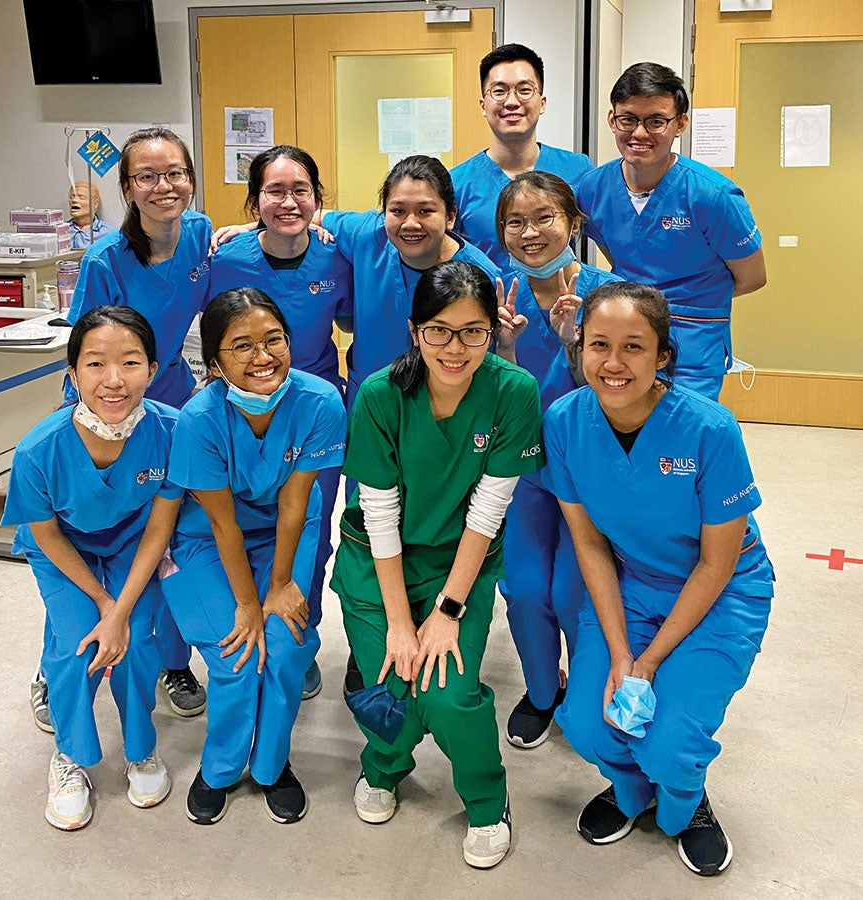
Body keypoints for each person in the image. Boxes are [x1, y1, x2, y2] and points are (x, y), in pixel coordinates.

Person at [541, 281, 774, 876]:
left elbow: (716, 562)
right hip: (634, 584)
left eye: (634, 347)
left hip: (721, 593)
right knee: (591, 727)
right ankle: (628, 792)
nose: (613, 364)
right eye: (599, 345)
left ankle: (683, 802)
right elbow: (590, 543)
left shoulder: (708, 430)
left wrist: (645, 665)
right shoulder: (566, 422)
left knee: (671, 744)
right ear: (580, 349)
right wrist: (620, 652)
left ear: (662, 356)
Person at [331, 261, 544, 869]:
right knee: (390, 682)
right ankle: (384, 766)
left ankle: (486, 797)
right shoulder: (379, 396)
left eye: (474, 332)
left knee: (448, 695)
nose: (456, 348)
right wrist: (401, 619)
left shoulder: (512, 392)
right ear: (414, 330)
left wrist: (447, 610)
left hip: (460, 565)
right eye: (439, 331)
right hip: (377, 566)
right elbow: (379, 512)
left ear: (491, 331)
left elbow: (489, 508)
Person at [160, 287, 346, 826]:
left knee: (287, 649)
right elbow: (221, 521)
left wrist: (280, 584)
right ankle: (218, 769)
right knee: (237, 653)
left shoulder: (319, 401)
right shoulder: (200, 419)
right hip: (204, 541)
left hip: (285, 533)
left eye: (274, 341)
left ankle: (271, 766)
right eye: (242, 347)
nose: (262, 357)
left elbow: (295, 502)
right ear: (214, 362)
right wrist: (248, 602)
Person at [1, 306, 182, 830]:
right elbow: (46, 534)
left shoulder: (171, 432)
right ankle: (72, 755)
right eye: (96, 363)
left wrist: (121, 610)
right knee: (79, 640)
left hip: (135, 542)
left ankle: (141, 749)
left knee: (136, 638)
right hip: (64, 549)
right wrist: (104, 606)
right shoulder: (40, 448)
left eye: (130, 362)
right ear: (72, 373)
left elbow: (159, 529)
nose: (113, 380)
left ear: (152, 368)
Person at [65, 127, 212, 715]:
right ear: (127, 188)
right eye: (146, 176)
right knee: (104, 538)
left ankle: (175, 665)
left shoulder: (203, 236)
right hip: (113, 404)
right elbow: (85, 354)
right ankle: (63, 660)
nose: (163, 186)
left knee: (173, 535)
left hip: (173, 397)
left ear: (191, 178)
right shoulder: (107, 260)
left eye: (174, 172)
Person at [210, 145, 353, 700]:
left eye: (301, 191)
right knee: (242, 521)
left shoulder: (335, 258)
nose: (289, 201)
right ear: (254, 201)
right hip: (239, 407)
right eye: (274, 191)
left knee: (311, 534)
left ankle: (300, 635)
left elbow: (348, 316)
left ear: (319, 199)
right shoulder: (224, 257)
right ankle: (245, 624)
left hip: (313, 410)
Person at [492, 171, 623, 749]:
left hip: (585, 470)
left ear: (573, 222)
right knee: (523, 588)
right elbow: (474, 390)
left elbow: (627, 388)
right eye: (515, 222)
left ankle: (589, 686)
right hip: (519, 468)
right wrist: (503, 349)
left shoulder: (610, 296)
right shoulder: (494, 296)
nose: (531, 232)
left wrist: (576, 346)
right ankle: (543, 690)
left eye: (545, 217)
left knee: (573, 591)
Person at [575, 62, 766, 400]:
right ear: (612, 119)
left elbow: (752, 276)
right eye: (628, 118)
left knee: (686, 435)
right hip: (626, 334)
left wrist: (690, 300)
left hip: (693, 341)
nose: (640, 133)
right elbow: (619, 253)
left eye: (656, 121)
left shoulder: (712, 195)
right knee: (624, 426)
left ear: (680, 124)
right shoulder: (592, 189)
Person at [320, 155, 501, 411]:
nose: (410, 223)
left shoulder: (480, 277)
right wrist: (247, 228)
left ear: (450, 216)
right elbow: (304, 215)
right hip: (370, 406)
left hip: (445, 411)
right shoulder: (368, 236)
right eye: (397, 211)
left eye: (425, 211)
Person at [450, 43, 594, 271]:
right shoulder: (457, 183)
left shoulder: (578, 169)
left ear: (542, 102)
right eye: (499, 91)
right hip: (489, 304)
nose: (512, 101)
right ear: (483, 105)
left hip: (563, 302)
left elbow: (611, 238)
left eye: (524, 90)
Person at [68, 180, 113, 249]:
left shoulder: (108, 233)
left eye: (81, 197)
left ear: (95, 204)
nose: (74, 200)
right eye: (72, 197)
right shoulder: (61, 232)